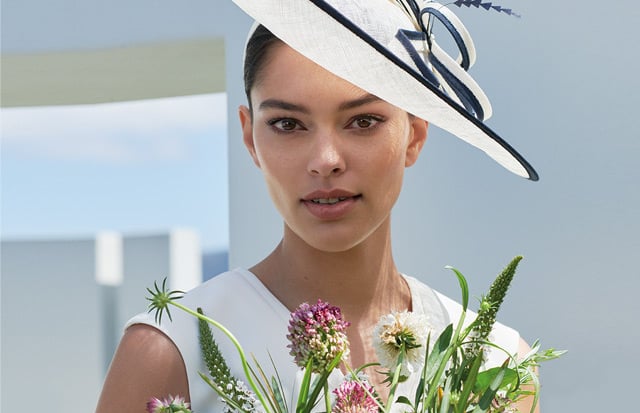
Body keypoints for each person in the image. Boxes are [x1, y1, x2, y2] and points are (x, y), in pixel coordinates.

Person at [96, 1, 539, 412]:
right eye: (288, 124)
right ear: (250, 137)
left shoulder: (495, 363)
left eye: (363, 121)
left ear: (416, 132)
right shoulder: (171, 352)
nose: (326, 160)